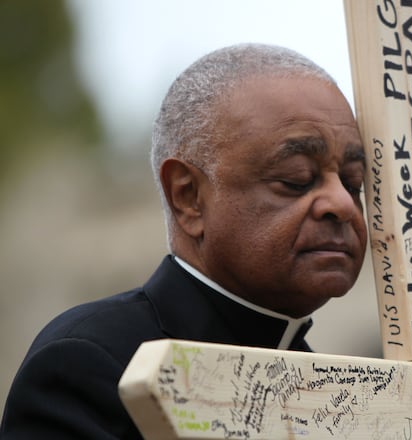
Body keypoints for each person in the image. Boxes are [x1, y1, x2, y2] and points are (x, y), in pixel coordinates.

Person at [0, 43, 368, 439]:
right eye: (297, 178)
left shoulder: (343, 392)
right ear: (188, 197)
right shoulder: (93, 364)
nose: (342, 204)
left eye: (352, 182)